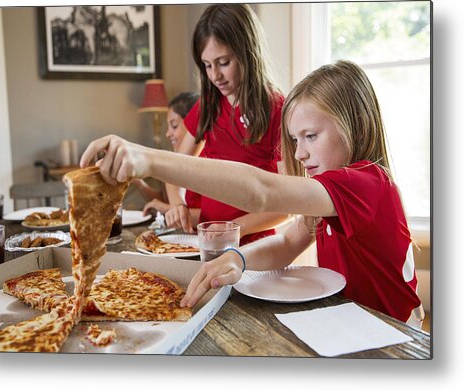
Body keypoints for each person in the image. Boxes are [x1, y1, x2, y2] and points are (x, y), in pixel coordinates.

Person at [80, 60, 424, 327]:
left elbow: (260, 190)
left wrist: (149, 159)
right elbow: (288, 243)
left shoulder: (367, 184)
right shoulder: (334, 194)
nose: (300, 153)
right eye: (294, 139)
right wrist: (238, 258)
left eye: (310, 136)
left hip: (390, 332)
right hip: (351, 321)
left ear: (355, 124)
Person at [162, 4, 289, 245]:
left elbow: (287, 208)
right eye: (207, 65)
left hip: (256, 247)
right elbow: (174, 169)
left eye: (223, 62)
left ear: (248, 53)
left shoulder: (279, 110)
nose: (215, 76)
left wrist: (232, 229)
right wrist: (177, 203)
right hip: (209, 243)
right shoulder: (209, 105)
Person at [132, 92, 201, 222]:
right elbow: (162, 200)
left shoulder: (207, 162)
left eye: (174, 126)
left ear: (193, 124)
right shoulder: (176, 160)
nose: (168, 134)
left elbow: (212, 216)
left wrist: (167, 209)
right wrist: (139, 183)